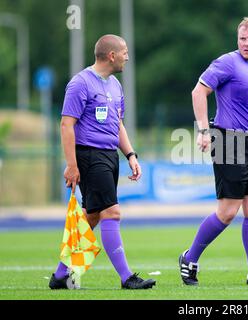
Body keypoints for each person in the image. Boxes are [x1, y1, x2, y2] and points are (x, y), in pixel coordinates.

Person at [178, 17, 248, 286]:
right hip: (228, 141)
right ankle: (189, 258)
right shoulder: (227, 62)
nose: (246, 44)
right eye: (242, 39)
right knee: (228, 212)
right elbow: (198, 92)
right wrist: (203, 131)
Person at [48, 34, 156, 290]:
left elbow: (117, 124)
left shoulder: (115, 85)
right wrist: (72, 164)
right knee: (112, 213)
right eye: (125, 52)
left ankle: (61, 275)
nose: (127, 57)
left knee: (93, 216)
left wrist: (130, 155)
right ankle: (127, 277)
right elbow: (66, 125)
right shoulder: (80, 83)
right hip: (89, 156)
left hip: (109, 156)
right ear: (111, 55)